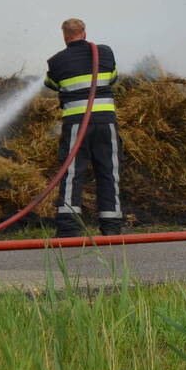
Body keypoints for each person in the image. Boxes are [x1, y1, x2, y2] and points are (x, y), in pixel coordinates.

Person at [44, 18, 124, 236]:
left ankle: (69, 228)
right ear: (84, 33)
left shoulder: (56, 61)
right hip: (106, 123)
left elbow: (52, 84)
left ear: (64, 36)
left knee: (71, 173)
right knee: (109, 171)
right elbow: (113, 78)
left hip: (76, 125)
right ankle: (111, 228)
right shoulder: (105, 53)